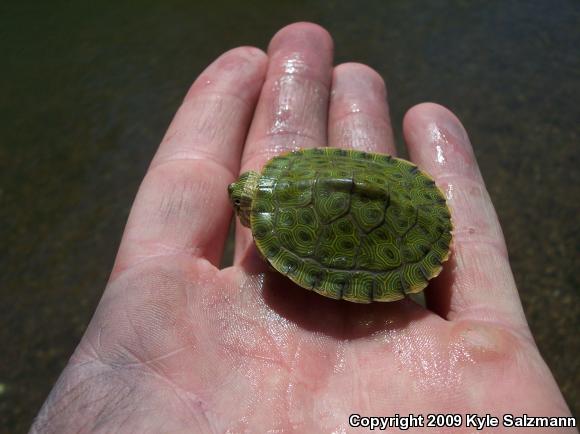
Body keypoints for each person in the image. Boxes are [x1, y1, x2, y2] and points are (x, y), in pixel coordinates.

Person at [31, 22, 574, 433]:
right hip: (388, 196)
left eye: (242, 199)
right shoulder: (284, 175)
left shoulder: (274, 224)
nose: (239, 198)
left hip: (393, 212)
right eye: (242, 200)